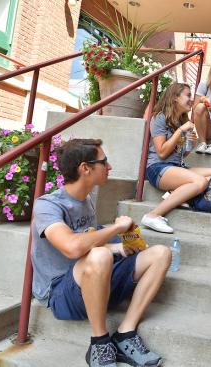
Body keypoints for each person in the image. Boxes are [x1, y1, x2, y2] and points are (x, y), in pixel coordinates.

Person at [31, 138, 171, 367]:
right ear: (85, 168)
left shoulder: (87, 199)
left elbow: (89, 243)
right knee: (100, 256)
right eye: (104, 162)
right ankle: (99, 342)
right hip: (60, 292)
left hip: (95, 280)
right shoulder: (48, 205)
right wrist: (115, 228)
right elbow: (73, 247)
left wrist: (119, 246)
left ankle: (125, 333)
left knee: (161, 253)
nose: (110, 167)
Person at [141, 83, 211, 233]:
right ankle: (153, 215)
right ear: (175, 98)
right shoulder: (159, 118)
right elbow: (162, 153)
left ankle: (176, 194)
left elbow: (180, 154)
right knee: (200, 181)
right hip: (158, 168)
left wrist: (191, 144)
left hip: (176, 167)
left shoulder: (180, 121)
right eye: (188, 95)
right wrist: (180, 131)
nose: (191, 99)